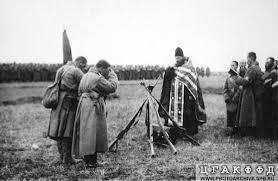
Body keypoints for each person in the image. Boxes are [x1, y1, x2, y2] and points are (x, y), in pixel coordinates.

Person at [72, 60, 118, 168]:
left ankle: (89, 161)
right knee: (93, 134)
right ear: (101, 68)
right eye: (107, 70)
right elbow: (112, 87)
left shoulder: (86, 75)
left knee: (87, 134)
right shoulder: (97, 78)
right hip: (92, 106)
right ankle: (91, 163)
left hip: (84, 105)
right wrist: (113, 75)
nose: (107, 73)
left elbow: (79, 92)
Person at [47, 56, 87, 164]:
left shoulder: (61, 69)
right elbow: (86, 84)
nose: (84, 68)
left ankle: (62, 156)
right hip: (69, 102)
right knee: (68, 130)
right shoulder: (76, 71)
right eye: (83, 66)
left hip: (58, 101)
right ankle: (68, 158)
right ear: (79, 63)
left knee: (59, 129)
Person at [158, 47, 206, 135]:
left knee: (187, 113)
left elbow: (193, 81)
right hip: (174, 95)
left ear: (182, 57)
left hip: (187, 95)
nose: (177, 59)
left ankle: (189, 132)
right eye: (176, 58)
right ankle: (176, 130)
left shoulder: (189, 67)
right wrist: (168, 72)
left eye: (179, 57)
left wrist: (191, 94)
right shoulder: (173, 67)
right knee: (174, 112)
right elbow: (167, 80)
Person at [235, 52, 264, 137]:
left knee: (247, 114)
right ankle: (256, 133)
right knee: (256, 115)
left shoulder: (251, 69)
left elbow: (246, 81)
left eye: (247, 59)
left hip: (251, 94)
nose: (247, 61)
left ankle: (248, 133)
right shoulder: (258, 68)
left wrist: (237, 79)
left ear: (250, 58)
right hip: (257, 93)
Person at [262, 57, 278, 137]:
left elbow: (274, 86)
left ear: (273, 64)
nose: (266, 64)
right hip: (266, 98)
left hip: (273, 99)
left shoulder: (274, 73)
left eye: (268, 62)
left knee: (273, 117)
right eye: (266, 62)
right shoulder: (266, 73)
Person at [223, 61, 241, 132]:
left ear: (237, 66)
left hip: (236, 100)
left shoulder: (239, 78)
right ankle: (229, 130)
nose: (232, 67)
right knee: (229, 115)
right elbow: (225, 89)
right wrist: (226, 97)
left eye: (233, 65)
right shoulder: (228, 78)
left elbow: (240, 89)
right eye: (231, 65)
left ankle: (236, 130)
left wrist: (235, 98)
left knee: (236, 115)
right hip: (229, 100)